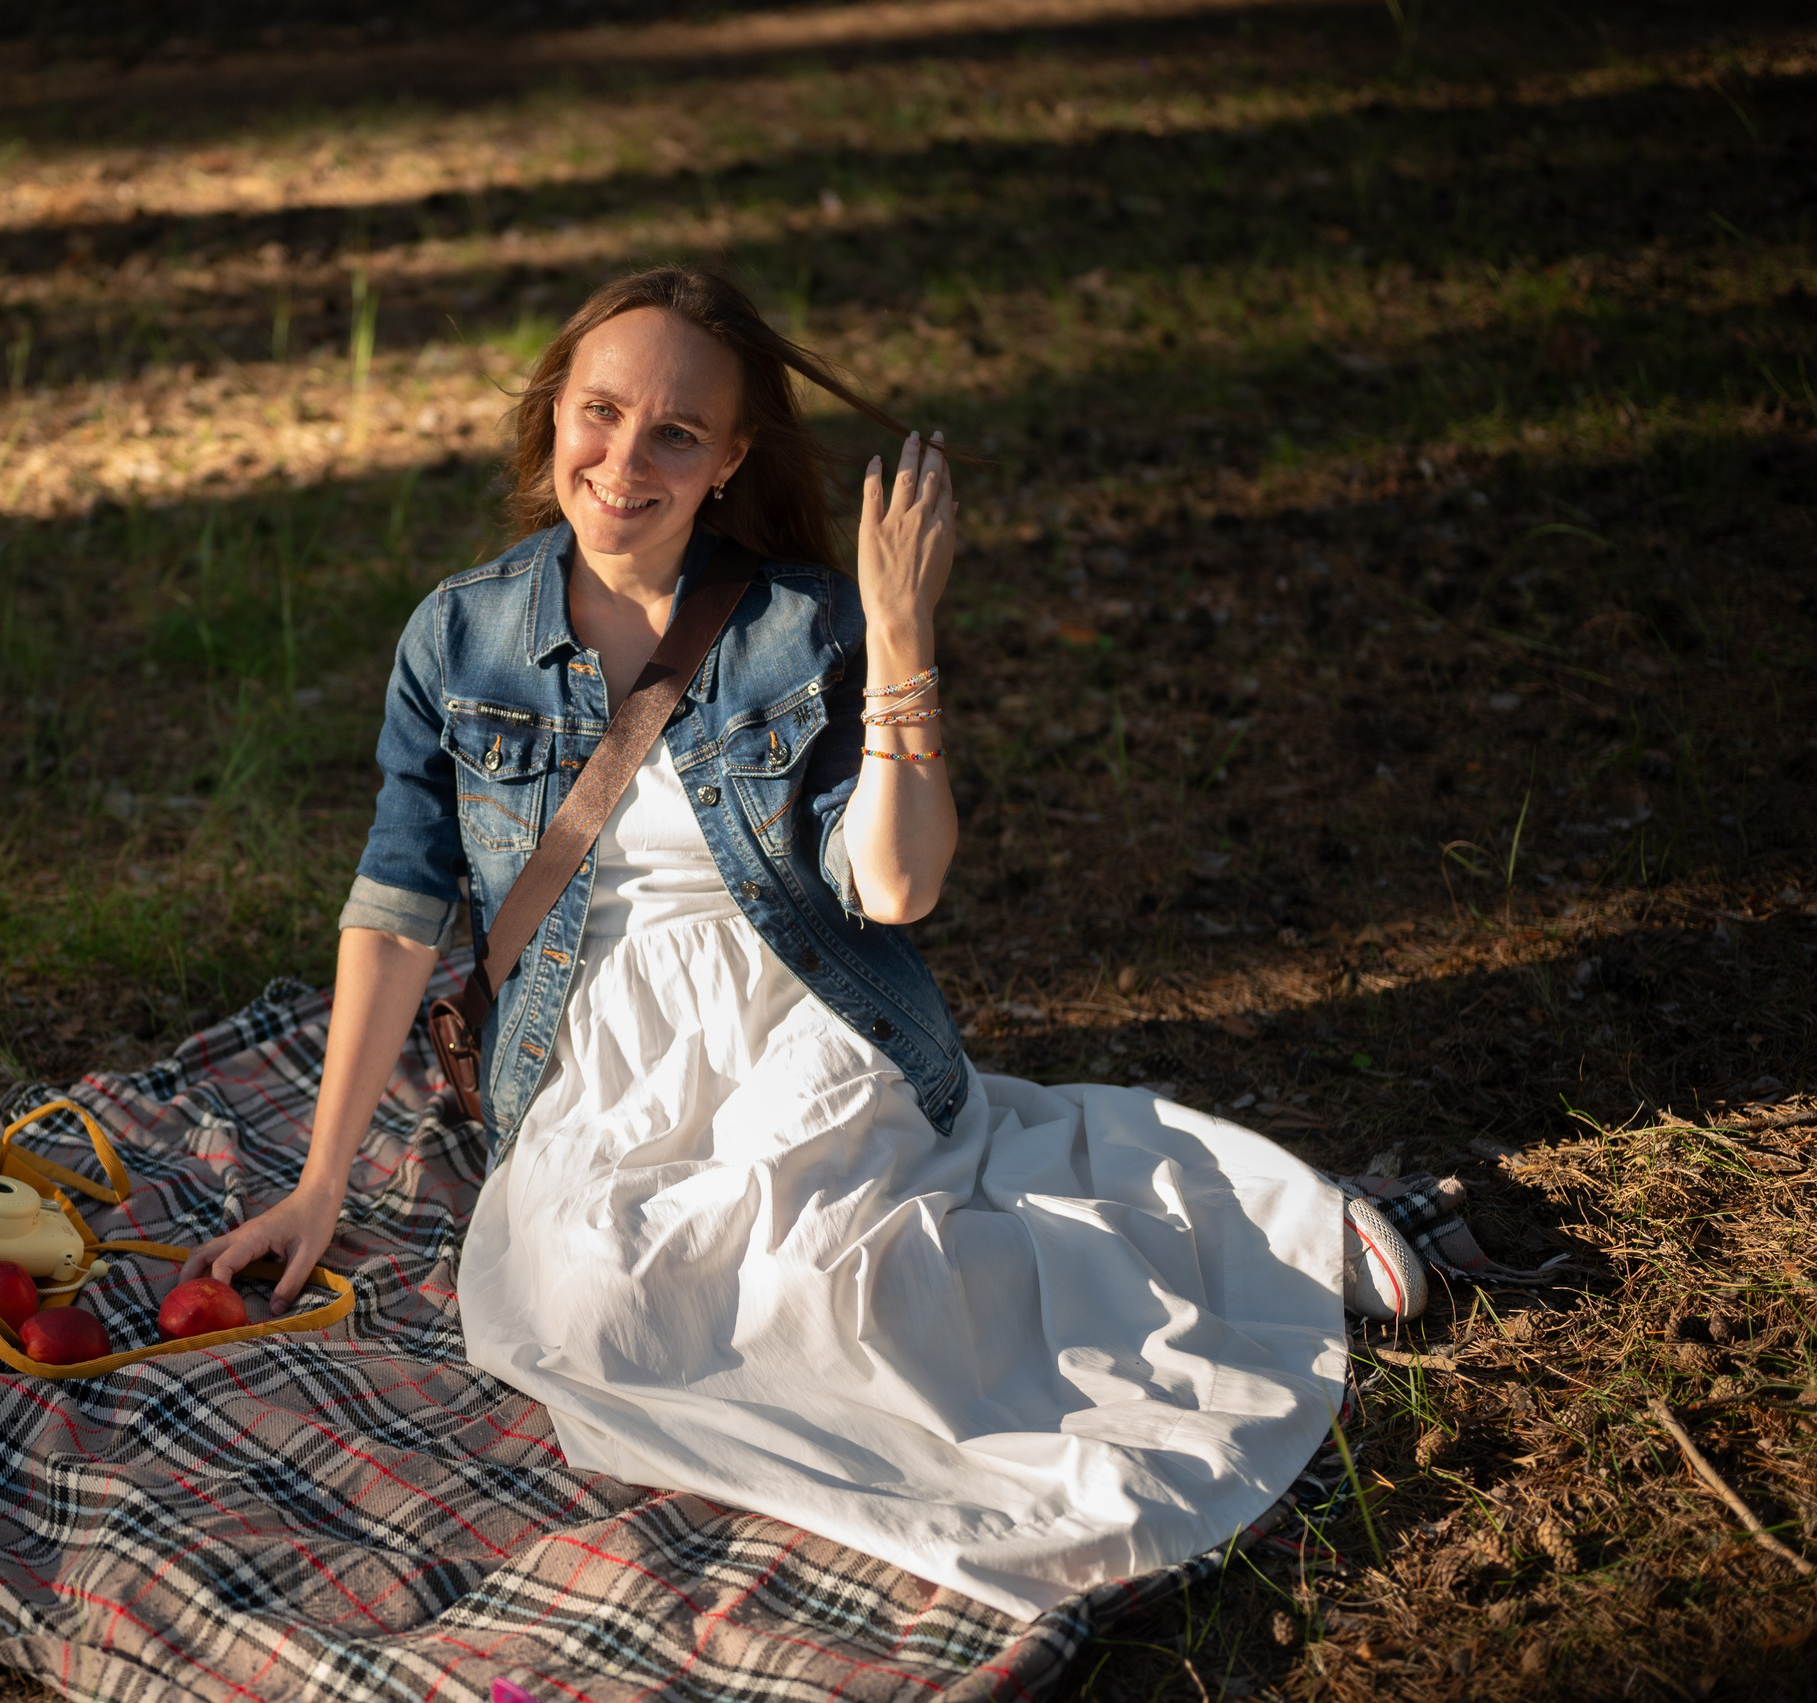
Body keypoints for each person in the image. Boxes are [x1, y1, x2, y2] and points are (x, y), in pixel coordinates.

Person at [182, 266, 1423, 1619]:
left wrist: (899, 640)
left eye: (675, 434)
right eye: (600, 413)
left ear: (729, 460)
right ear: (552, 414)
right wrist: (317, 1187)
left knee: (848, 1272)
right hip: (585, 1051)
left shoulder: (803, 624)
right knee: (585, 1309)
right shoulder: (459, 635)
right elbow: (396, 905)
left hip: (797, 1012)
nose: (624, 462)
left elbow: (894, 887)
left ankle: (1259, 1235)